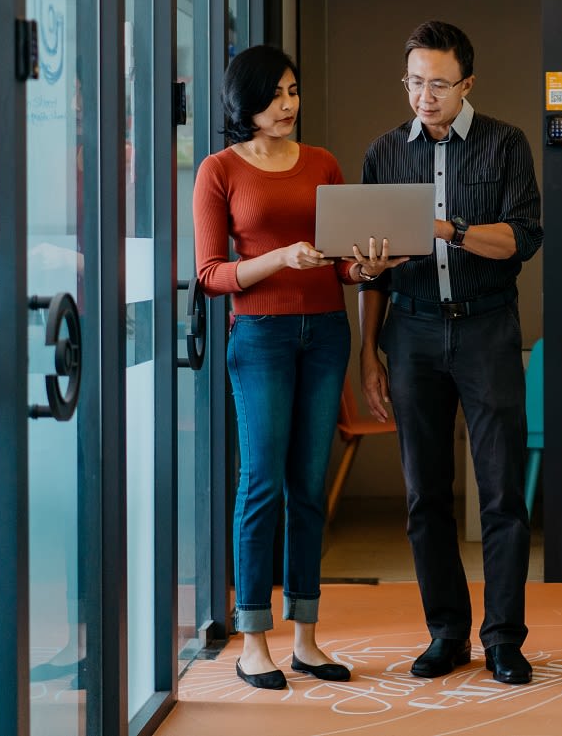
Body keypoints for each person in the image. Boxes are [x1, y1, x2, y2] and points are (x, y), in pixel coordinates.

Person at [193, 44, 398, 690]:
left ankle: (307, 637)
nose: (289, 104)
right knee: (261, 485)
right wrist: (280, 258)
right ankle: (254, 639)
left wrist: (361, 269)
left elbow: (338, 260)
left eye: (293, 90)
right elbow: (210, 275)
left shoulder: (322, 163)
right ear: (245, 100)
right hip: (259, 337)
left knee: (309, 487)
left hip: (325, 333)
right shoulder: (218, 169)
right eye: (276, 93)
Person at [357, 20, 544, 686]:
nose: (424, 95)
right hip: (409, 332)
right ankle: (446, 632)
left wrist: (445, 228)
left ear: (467, 82)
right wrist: (367, 351)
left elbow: (521, 239)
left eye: (438, 83)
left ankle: (502, 638)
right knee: (423, 493)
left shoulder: (505, 145)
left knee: (500, 492)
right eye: (414, 81)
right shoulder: (383, 153)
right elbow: (369, 268)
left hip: (487, 327)